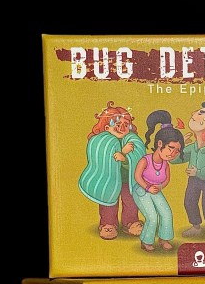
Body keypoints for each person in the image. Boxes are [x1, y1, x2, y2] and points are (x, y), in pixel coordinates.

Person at [79, 101, 146, 240]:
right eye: (117, 124)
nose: (122, 127)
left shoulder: (131, 141)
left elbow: (138, 159)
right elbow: (103, 159)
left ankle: (130, 222)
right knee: (108, 202)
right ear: (106, 127)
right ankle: (108, 224)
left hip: (127, 179)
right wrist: (122, 152)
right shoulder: (102, 142)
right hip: (109, 180)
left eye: (126, 124)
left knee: (131, 201)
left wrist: (126, 158)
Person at [171, 102, 205, 241]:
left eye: (200, 113)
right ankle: (196, 226)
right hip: (194, 180)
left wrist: (199, 172)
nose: (193, 114)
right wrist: (179, 147)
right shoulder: (192, 147)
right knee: (189, 201)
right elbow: (174, 160)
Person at [134, 111, 185, 252]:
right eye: (171, 148)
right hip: (141, 190)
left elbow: (167, 179)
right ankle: (146, 240)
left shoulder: (166, 164)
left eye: (177, 151)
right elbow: (137, 176)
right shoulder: (145, 160)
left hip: (156, 190)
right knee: (152, 217)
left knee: (166, 213)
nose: (173, 154)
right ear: (160, 143)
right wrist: (147, 187)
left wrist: (160, 186)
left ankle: (164, 238)